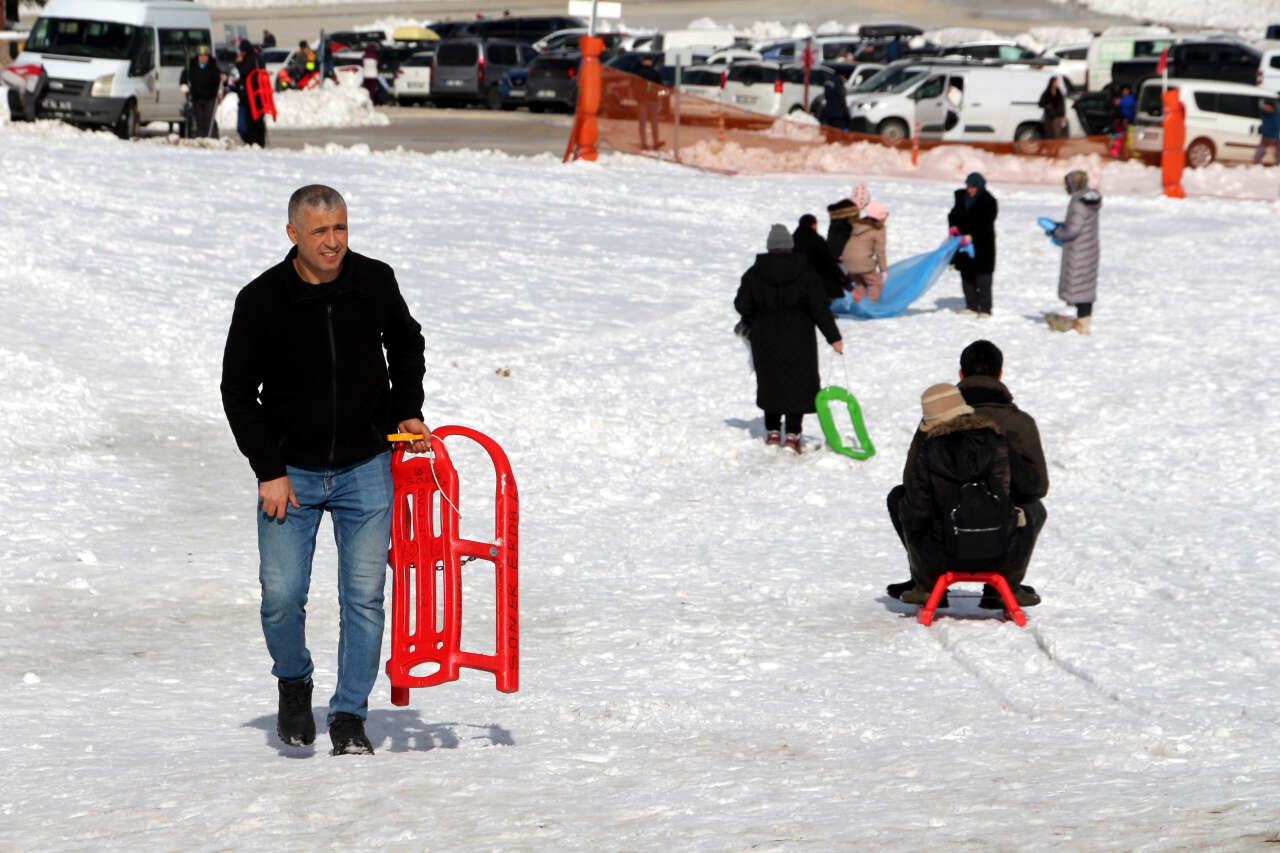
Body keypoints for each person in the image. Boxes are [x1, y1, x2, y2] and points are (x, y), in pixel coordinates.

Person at [220, 185, 429, 755]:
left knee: (363, 597)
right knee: (281, 596)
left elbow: (407, 344)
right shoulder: (262, 299)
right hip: (292, 474)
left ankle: (349, 716)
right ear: (293, 235)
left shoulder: (374, 280)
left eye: (340, 228)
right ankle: (294, 679)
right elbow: (238, 393)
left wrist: (407, 407)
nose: (334, 242)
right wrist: (269, 468)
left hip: (367, 467)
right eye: (320, 232)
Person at [886, 340, 1047, 608]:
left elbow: (913, 486)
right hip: (999, 540)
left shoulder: (932, 428)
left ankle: (925, 582)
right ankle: (1005, 586)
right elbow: (1036, 486)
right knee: (1033, 507)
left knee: (901, 498)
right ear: (1000, 374)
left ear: (961, 374)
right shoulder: (1016, 424)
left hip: (942, 542)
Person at [734, 224, 843, 454]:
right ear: (790, 246)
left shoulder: (754, 274)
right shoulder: (806, 273)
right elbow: (819, 309)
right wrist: (833, 337)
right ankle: (793, 434)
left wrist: (757, 313)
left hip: (765, 339)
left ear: (769, 246)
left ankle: (773, 432)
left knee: (771, 381)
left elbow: (741, 305)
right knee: (798, 383)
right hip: (799, 339)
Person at [1050, 170, 1102, 334]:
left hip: (1078, 251)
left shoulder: (1078, 202)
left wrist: (1056, 232)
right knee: (1086, 286)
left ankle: (1082, 323)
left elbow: (1073, 229)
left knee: (1079, 286)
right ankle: (1084, 320)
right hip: (1089, 249)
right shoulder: (1089, 200)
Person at [947, 172, 998, 317]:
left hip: (982, 245)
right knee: (966, 276)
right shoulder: (961, 198)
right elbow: (953, 214)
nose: (970, 189)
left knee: (983, 278)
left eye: (973, 187)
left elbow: (986, 221)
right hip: (963, 244)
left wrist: (972, 235)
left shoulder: (988, 201)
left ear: (980, 187)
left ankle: (985, 309)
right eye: (968, 186)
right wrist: (953, 226)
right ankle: (971, 305)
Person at [839, 200, 889, 302]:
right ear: (881, 216)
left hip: (848, 261)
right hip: (862, 262)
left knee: (860, 284)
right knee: (876, 283)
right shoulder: (879, 229)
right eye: (886, 214)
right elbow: (880, 252)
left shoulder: (857, 224)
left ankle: (860, 305)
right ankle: (870, 305)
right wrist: (883, 270)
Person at [793, 213, 847, 300]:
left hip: (795, 284)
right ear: (814, 225)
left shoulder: (791, 240)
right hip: (818, 284)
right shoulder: (817, 240)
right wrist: (844, 281)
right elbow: (829, 261)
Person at [180, 44, 225, 138]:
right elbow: (184, 77)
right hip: (197, 97)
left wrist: (223, 78)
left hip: (210, 98)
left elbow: (220, 78)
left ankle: (213, 138)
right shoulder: (192, 66)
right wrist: (184, 85)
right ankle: (200, 138)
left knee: (209, 118)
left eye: (205, 56)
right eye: (201, 56)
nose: (203, 58)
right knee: (199, 120)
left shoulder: (213, 67)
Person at [826, 182, 870, 267]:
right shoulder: (851, 215)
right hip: (841, 257)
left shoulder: (841, 210)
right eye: (864, 204)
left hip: (833, 253)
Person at [234, 40, 267, 147]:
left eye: (241, 51)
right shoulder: (259, 58)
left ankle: (251, 143)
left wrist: (238, 63)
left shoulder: (248, 58)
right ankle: (259, 143)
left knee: (249, 122)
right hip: (260, 94)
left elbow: (244, 71)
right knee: (259, 121)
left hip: (249, 96)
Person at [632, 55, 664, 150]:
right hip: (653, 101)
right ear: (650, 62)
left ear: (643, 62)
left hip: (641, 101)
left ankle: (644, 143)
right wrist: (660, 97)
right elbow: (661, 88)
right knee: (654, 122)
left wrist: (637, 98)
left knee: (642, 123)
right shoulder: (655, 73)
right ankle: (656, 142)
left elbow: (633, 86)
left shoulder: (638, 73)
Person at [1254, 100, 1280, 166]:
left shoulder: (1276, 115)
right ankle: (1256, 166)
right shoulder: (1264, 115)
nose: (1265, 107)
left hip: (1274, 138)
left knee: (1278, 153)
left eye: (1267, 106)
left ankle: (1278, 166)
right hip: (1265, 137)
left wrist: (1275, 138)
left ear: (1272, 107)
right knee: (1259, 153)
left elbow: (1278, 127)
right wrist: (1261, 129)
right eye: (1265, 106)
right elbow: (1265, 125)